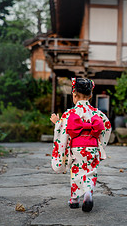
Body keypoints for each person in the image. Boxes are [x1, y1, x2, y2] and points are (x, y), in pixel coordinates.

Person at [50, 78, 111, 212]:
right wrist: (100, 145)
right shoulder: (97, 113)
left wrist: (57, 123)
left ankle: (74, 200)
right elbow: (107, 127)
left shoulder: (69, 114)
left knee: (76, 172)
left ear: (74, 95)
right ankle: (88, 193)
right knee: (90, 171)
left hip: (76, 148)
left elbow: (63, 131)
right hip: (92, 147)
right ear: (90, 95)